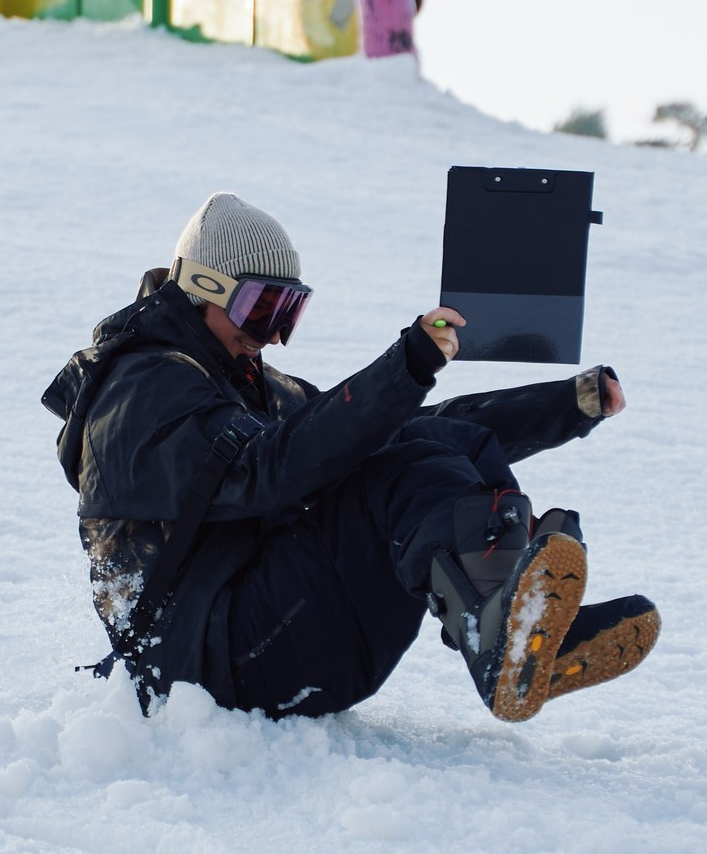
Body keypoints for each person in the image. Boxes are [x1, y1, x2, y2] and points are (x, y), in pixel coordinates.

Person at [42, 192, 659, 724]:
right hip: (203, 665)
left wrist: (568, 406)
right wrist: (405, 365)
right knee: (396, 467)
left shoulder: (238, 383)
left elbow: (397, 434)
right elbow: (266, 471)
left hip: (258, 639)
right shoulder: (141, 391)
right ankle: (498, 626)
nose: (270, 335)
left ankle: (525, 635)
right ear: (203, 286)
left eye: (287, 313)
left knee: (431, 447)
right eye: (260, 309)